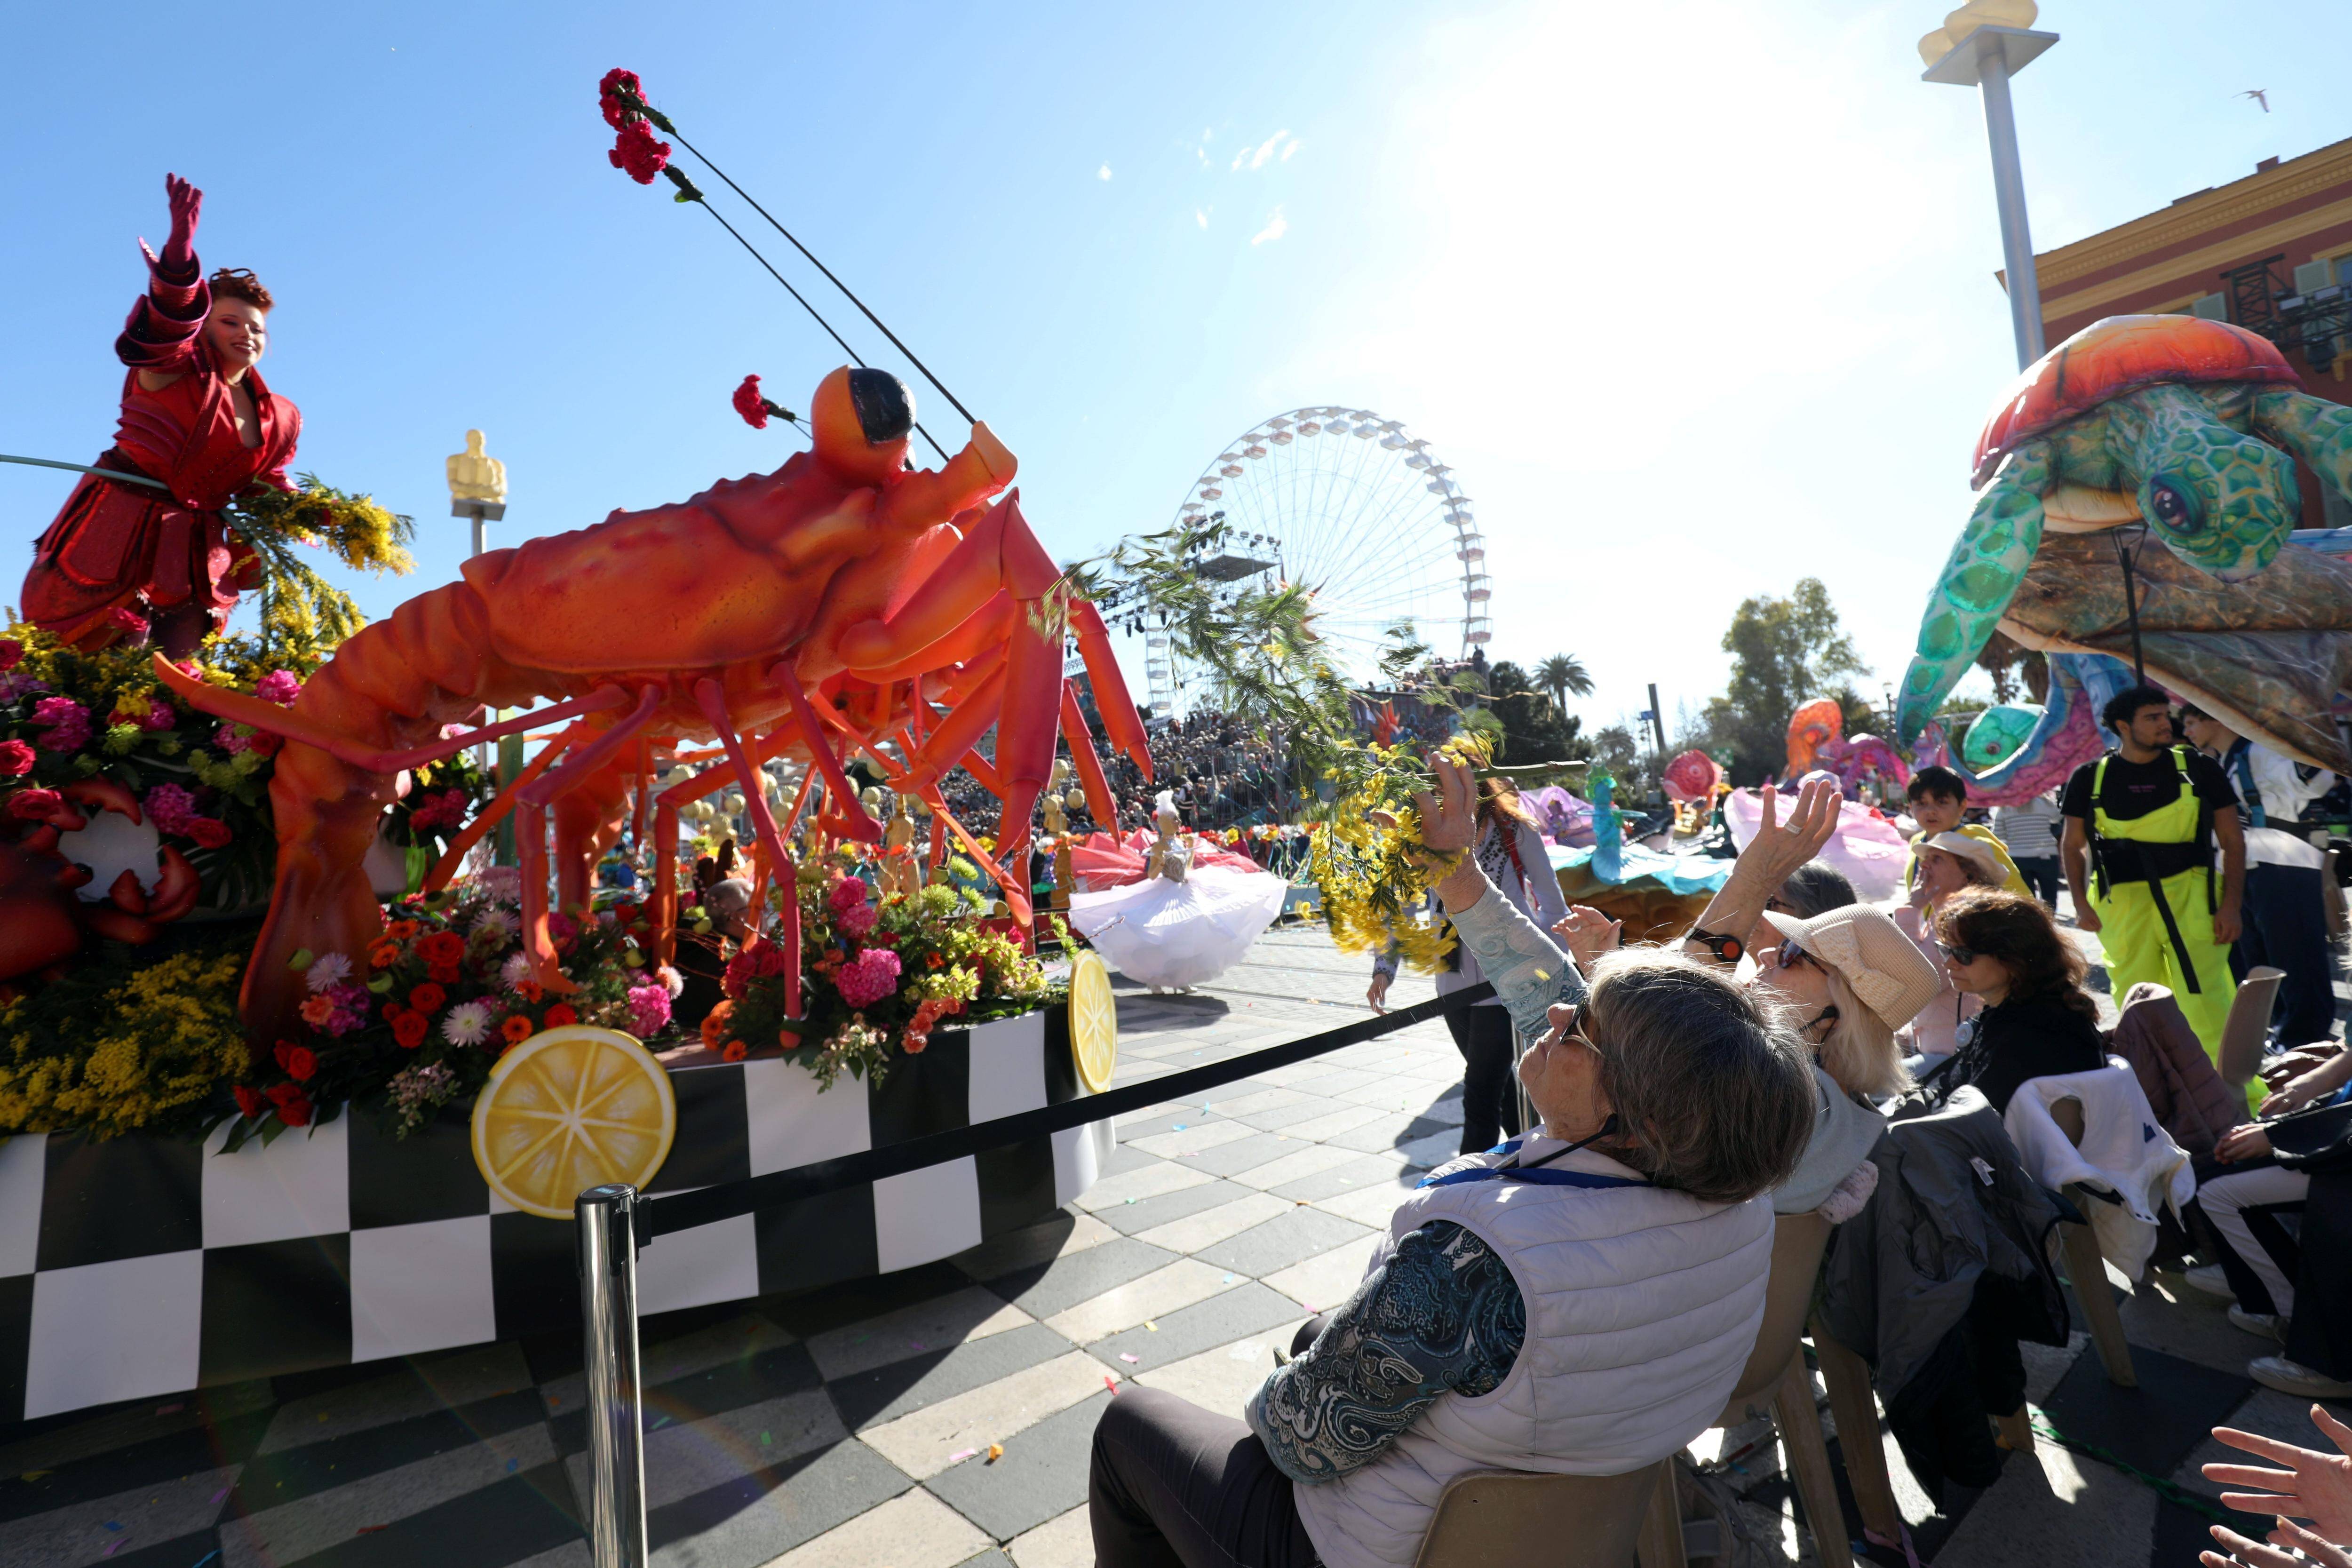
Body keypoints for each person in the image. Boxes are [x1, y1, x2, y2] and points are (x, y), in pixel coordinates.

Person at [1089, 756, 1817, 1568]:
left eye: (1583, 1023)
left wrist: (1303, 1373)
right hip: (1573, 1511)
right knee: (1331, 1333)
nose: (1556, 1007)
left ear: (1631, 1109)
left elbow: (1303, 1438)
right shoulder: (1735, 1183)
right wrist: (1460, 873)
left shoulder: (1479, 1255)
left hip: (1375, 1546)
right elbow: (1681, 1032)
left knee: (1129, 1429)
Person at [20, 173, 302, 656]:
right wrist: (178, 258)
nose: (246, 335)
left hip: (195, 552)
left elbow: (267, 486)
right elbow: (170, 322)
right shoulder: (173, 368)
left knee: (179, 673)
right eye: (229, 322)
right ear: (204, 329)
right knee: (107, 657)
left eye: (255, 328)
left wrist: (317, 514)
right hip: (118, 533)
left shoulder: (281, 415)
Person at [1367, 776, 1566, 1154]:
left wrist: (1549, 967)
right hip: (1451, 981)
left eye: (1456, 785)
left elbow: (1552, 904)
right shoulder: (1422, 837)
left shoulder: (1516, 832)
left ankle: (1465, 1187)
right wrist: (1384, 968)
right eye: (1440, 788)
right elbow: (1402, 909)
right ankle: (1536, 1156)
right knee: (1497, 1084)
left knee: (1478, 1090)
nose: (1447, 796)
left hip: (1509, 979)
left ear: (1478, 787)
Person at [2061, 685, 2245, 1069]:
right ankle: (2153, 1095)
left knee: (2206, 1002)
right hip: (2123, 908)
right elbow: (2072, 845)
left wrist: (2231, 906)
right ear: (2123, 726)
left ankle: (2233, 1098)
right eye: (2154, 717)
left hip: (2193, 901)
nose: (2167, 723)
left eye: (2166, 715)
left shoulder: (2199, 768)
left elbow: (2232, 840)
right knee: (2136, 1005)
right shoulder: (2090, 777)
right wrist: (2080, 903)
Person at [2180, 702, 2340, 1048]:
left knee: (2295, 955)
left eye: (2192, 722)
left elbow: (2316, 781)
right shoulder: (2221, 762)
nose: (2188, 731)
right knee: (2260, 957)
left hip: (2284, 865)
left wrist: (2305, 740)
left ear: (2217, 718)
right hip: (2248, 871)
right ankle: (2284, 1032)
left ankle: (2307, 1036)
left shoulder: (2260, 752)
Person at [1920, 886, 2107, 1114]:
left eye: (1963, 954)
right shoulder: (2042, 1008)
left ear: (2012, 959)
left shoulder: (2025, 1034)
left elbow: (1975, 1124)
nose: (1949, 963)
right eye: (1946, 950)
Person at [1891, 831, 2011, 1072]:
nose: (1924, 865)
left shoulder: (1963, 922)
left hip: (1952, 1057)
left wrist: (1910, 909)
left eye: (1937, 859)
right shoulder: (1941, 914)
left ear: (1969, 874)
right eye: (1926, 859)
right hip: (1933, 1048)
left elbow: (1920, 981)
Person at [1903, 764, 2030, 897]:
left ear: (1962, 806)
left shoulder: (1977, 843)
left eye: (1941, 802)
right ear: (1911, 808)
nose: (1930, 811)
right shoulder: (1916, 842)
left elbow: (2020, 897)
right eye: (1921, 803)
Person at [1991, 790, 2065, 908]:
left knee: (2026, 899)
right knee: (2050, 898)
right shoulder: (2044, 803)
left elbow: (1999, 836)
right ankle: (2049, 923)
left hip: (2017, 858)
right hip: (2046, 856)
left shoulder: (2004, 809)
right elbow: (2057, 818)